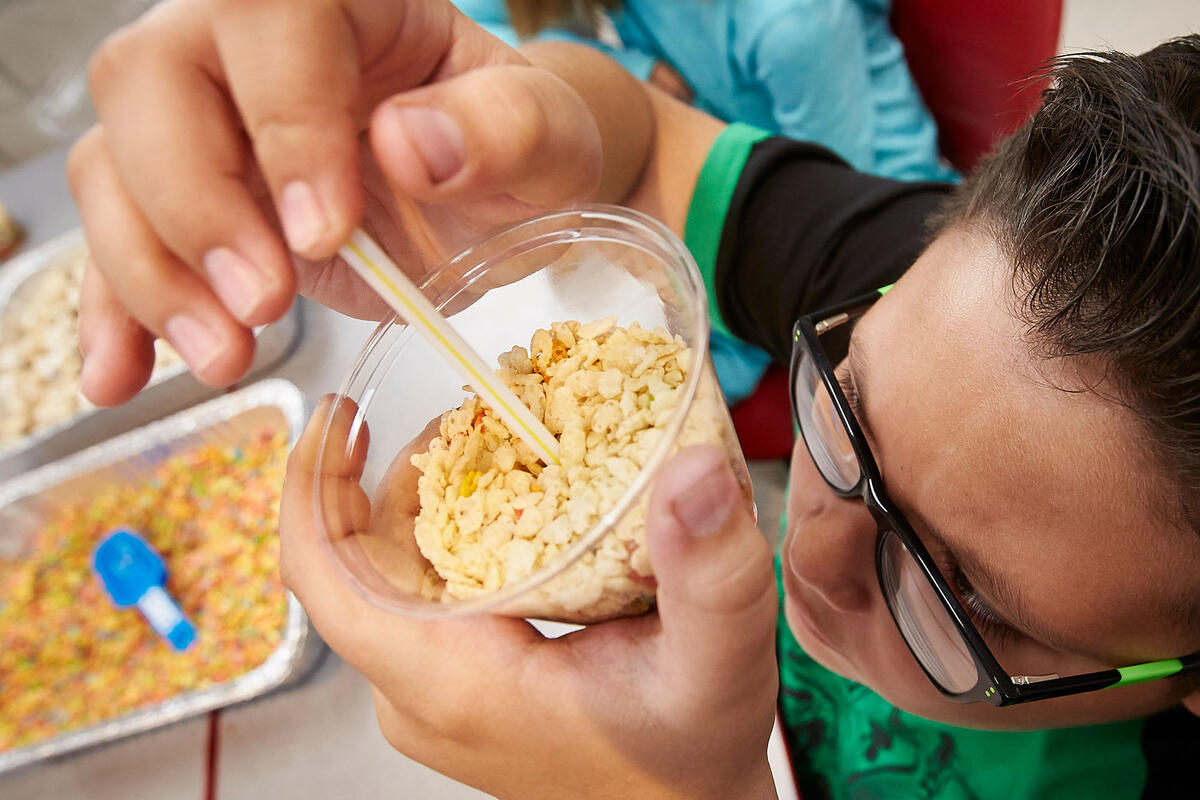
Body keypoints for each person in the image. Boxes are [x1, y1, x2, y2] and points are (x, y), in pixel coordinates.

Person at [67, 1, 1198, 796]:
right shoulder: (947, 306)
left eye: (958, 598)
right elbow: (645, 145)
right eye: (844, 406)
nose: (802, 553)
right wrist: (479, 122)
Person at [454, 0, 957, 405]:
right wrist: (633, 67)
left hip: (889, 234)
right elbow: (474, 24)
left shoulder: (793, 22)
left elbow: (828, 216)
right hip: (739, 173)